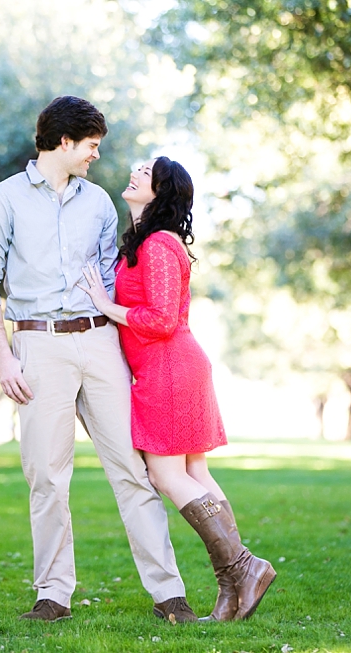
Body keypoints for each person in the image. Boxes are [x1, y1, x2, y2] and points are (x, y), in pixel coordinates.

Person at [0, 97, 196, 623]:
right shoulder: (1, 200)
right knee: (47, 477)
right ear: (65, 141)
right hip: (37, 345)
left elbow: (113, 279)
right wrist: (5, 358)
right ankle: (53, 595)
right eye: (92, 145)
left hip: (99, 343)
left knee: (133, 470)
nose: (97, 155)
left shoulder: (98, 203)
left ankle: (169, 594)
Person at [78, 156, 277, 621]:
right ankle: (233, 587)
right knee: (195, 472)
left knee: (167, 475)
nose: (135, 172)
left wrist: (106, 305)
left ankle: (244, 567)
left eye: (146, 172)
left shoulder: (160, 244)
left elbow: (162, 319)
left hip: (169, 368)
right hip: (170, 367)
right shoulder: (145, 243)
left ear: (161, 191)